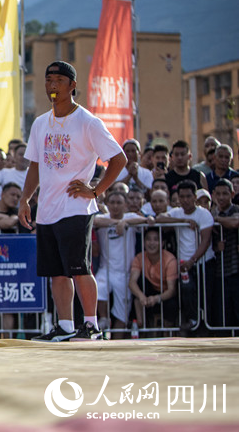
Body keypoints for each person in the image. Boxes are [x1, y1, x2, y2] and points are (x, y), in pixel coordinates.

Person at [19, 61, 126, 342]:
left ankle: (91, 325)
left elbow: (118, 158)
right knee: (57, 273)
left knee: (79, 269)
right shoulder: (41, 123)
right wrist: (25, 199)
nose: (52, 85)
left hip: (76, 207)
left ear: (72, 86)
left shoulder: (88, 122)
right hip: (47, 209)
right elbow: (35, 166)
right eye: (48, 80)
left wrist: (95, 190)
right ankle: (65, 326)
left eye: (58, 80)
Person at [156, 179, 214, 334]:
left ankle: (205, 330)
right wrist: (182, 220)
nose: (185, 200)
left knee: (206, 297)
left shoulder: (204, 214)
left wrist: (193, 260)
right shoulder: (177, 212)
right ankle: (192, 322)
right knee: (187, 294)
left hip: (203, 262)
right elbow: (159, 218)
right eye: (182, 197)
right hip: (184, 265)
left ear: (195, 197)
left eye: (189, 196)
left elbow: (206, 240)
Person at [93, 190, 152, 334]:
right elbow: (95, 221)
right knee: (97, 291)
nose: (115, 206)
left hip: (125, 274)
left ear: (125, 205)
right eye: (112, 202)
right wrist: (118, 223)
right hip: (105, 269)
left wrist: (125, 222)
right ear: (107, 204)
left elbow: (148, 220)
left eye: (119, 202)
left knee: (122, 315)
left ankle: (116, 342)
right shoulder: (104, 218)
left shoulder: (130, 217)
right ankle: (104, 318)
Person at [128, 227, 178, 333]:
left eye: (156, 239)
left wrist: (156, 298)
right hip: (148, 293)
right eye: (148, 239)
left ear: (162, 243)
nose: (152, 243)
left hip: (164, 294)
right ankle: (140, 328)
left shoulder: (170, 259)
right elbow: (132, 282)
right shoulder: (139, 257)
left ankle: (168, 333)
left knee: (172, 304)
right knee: (138, 287)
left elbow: (171, 290)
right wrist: (142, 296)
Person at [209, 178, 239, 329]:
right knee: (222, 313)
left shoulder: (235, 210)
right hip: (219, 271)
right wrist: (216, 248)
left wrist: (216, 219)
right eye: (218, 194)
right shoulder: (211, 212)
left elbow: (235, 222)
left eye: (225, 194)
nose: (221, 197)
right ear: (213, 194)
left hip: (235, 270)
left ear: (232, 194)